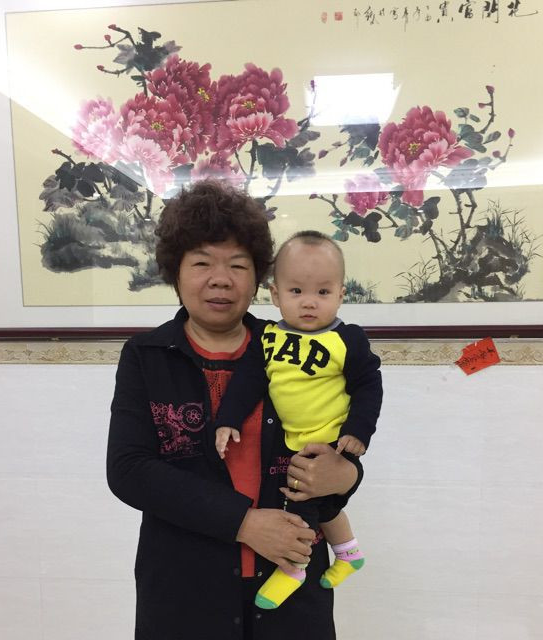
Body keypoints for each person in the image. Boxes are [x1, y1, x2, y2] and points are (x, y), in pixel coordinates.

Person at [106, 180, 364, 640]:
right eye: (202, 262)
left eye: (238, 265)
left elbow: (338, 437)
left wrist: (347, 475)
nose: (220, 279)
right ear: (176, 271)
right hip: (184, 590)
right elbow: (129, 470)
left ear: (259, 278)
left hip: (292, 587)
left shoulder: (296, 348)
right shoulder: (147, 355)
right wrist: (243, 523)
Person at [215, 231, 382, 610]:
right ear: (275, 295)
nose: (309, 302)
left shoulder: (347, 340)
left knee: (301, 504)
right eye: (296, 291)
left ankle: (293, 568)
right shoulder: (268, 339)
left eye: (323, 292)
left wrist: (358, 432)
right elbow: (248, 382)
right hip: (292, 442)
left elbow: (369, 385)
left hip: (333, 444)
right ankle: (349, 553)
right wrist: (228, 419)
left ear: (341, 295)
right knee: (326, 508)